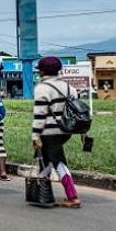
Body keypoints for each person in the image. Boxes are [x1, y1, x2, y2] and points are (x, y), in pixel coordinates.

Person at [32, 56, 81, 208]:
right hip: (65, 131)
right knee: (45, 159)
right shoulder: (69, 87)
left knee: (59, 162)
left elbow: (40, 114)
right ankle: (42, 194)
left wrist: (35, 135)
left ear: (42, 71)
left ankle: (73, 197)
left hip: (49, 132)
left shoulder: (42, 88)